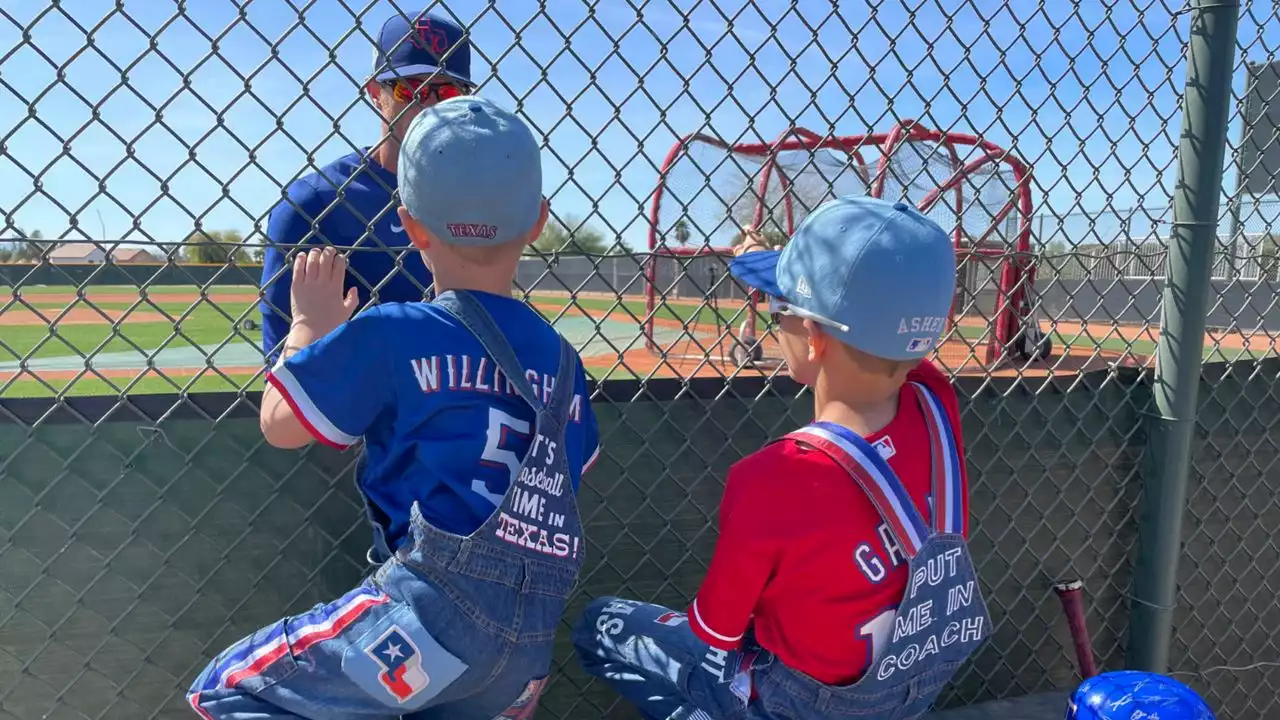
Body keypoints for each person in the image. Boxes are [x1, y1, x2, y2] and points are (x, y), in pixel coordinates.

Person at [189, 97, 601, 718]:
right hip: (527, 643)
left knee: (226, 688)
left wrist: (308, 328)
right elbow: (566, 476)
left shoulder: (395, 331)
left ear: (410, 225)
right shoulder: (566, 363)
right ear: (539, 221)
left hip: (423, 624)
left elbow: (281, 425)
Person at [572, 196, 989, 720]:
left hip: (795, 704)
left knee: (599, 623)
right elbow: (886, 327)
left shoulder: (775, 477)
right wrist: (773, 261)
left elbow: (716, 628)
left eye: (777, 307)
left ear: (813, 337)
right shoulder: (935, 400)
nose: (772, 318)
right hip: (905, 694)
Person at [258, 9, 476, 365]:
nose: (431, 105)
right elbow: (282, 371)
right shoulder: (316, 203)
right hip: (353, 416)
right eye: (412, 88)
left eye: (448, 90)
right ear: (376, 92)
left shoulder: (478, 197)